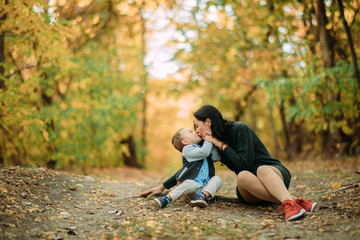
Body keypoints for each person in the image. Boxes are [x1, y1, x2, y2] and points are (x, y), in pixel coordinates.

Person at [141, 105, 317, 221]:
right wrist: (163, 186)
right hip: (252, 189)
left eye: (197, 126)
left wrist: (218, 143)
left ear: (208, 122)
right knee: (242, 178)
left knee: (260, 169)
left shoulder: (239, 129)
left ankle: (290, 205)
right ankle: (294, 201)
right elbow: (190, 167)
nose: (197, 131)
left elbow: (246, 163)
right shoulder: (208, 145)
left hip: (274, 175)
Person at [142, 127, 223, 208]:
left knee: (217, 179)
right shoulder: (187, 150)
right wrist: (207, 138)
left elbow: (216, 157)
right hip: (191, 189)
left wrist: (213, 141)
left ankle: (201, 196)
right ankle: (166, 199)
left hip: (203, 188)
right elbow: (204, 152)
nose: (196, 132)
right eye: (191, 132)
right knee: (191, 183)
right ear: (185, 141)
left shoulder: (201, 148)